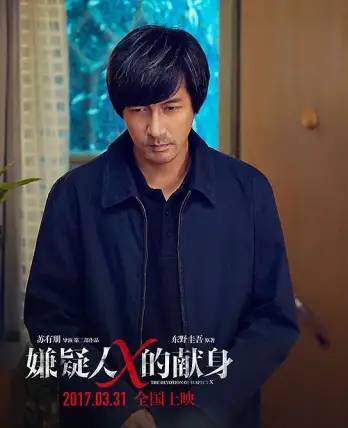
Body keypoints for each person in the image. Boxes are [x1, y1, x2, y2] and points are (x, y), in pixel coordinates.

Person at [23, 25, 298, 428]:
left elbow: (273, 318)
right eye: (139, 110)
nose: (155, 129)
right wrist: (118, 408)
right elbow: (51, 318)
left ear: (194, 105)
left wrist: (205, 409)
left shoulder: (247, 191)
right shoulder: (75, 195)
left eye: (171, 108)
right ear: (121, 110)